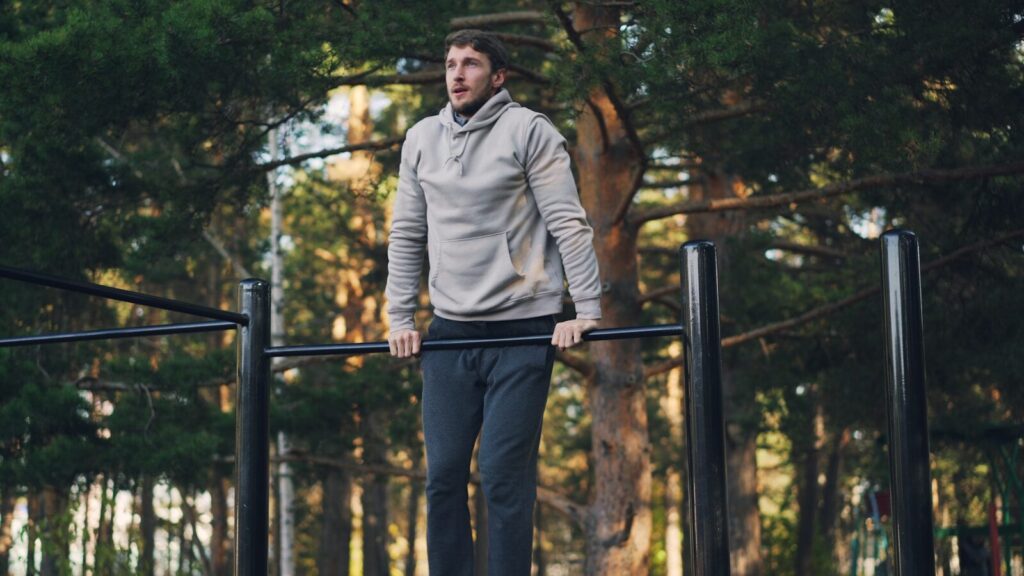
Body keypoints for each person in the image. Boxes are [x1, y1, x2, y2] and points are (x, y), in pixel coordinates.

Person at [385, 29, 602, 575]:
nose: (457, 74)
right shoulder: (420, 139)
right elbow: (407, 232)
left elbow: (568, 224)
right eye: (451, 63)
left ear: (498, 77)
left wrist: (587, 310)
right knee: (444, 475)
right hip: (451, 331)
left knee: (503, 472)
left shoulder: (528, 130)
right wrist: (399, 317)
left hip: (524, 327)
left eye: (472, 64)